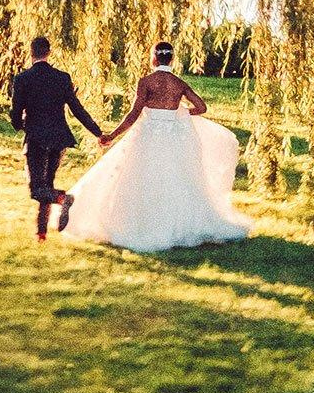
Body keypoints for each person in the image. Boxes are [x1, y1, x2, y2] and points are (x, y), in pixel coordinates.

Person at [61, 40, 252, 254]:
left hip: (147, 137)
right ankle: (177, 225)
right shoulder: (178, 83)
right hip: (173, 139)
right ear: (172, 58)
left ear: (154, 58)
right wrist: (178, 114)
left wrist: (112, 135)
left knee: (141, 179)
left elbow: (133, 114)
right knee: (176, 180)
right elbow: (201, 107)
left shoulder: (146, 82)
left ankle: (138, 223)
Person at [8, 34, 105, 241]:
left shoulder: (22, 79)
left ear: (31, 53)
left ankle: (64, 198)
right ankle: (41, 235)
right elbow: (77, 109)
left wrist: (19, 125)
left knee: (37, 190)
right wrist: (97, 132)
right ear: (48, 53)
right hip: (59, 138)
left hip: (36, 138)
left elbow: (16, 112)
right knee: (47, 185)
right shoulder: (62, 78)